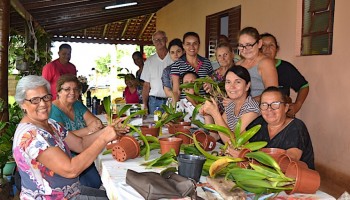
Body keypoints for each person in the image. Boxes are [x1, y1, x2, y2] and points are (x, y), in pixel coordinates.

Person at [13, 75, 129, 199]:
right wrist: (103, 138)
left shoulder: (51, 125)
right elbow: (71, 170)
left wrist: (108, 131)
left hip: (71, 192)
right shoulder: (31, 136)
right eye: (34, 100)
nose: (42, 104)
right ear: (22, 104)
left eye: (46, 97)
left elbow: (80, 144)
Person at [49, 74, 104, 188]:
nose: (72, 92)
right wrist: (88, 130)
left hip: (84, 151)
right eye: (67, 89)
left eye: (75, 89)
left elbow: (96, 123)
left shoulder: (77, 104)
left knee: (97, 181)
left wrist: (90, 128)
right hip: (67, 159)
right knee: (90, 184)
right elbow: (61, 137)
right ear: (58, 92)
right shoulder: (53, 111)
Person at [248, 86, 314, 169]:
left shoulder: (296, 127)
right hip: (262, 176)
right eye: (264, 105)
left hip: (293, 179)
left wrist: (252, 159)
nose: (269, 109)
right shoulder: (258, 123)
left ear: (285, 107)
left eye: (275, 104)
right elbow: (243, 144)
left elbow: (290, 161)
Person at [200, 66, 260, 143]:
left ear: (247, 86)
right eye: (228, 82)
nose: (232, 87)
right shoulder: (231, 105)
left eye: (237, 82)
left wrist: (215, 114)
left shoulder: (251, 109)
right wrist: (207, 115)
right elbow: (216, 136)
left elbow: (234, 144)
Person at [260, 33, 309, 117]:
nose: (267, 49)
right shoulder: (253, 68)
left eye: (271, 45)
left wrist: (297, 105)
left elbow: (304, 86)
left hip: (282, 116)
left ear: (276, 49)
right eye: (263, 46)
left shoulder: (286, 67)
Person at [235, 27, 278, 101]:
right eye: (241, 46)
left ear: (259, 44)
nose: (245, 49)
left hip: (260, 110)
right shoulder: (238, 64)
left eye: (249, 45)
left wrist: (244, 103)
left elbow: (272, 94)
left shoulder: (265, 63)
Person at [171, 32, 213, 103]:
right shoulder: (177, 65)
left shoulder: (206, 63)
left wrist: (210, 86)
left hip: (204, 105)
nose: (192, 47)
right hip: (186, 108)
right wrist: (173, 107)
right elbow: (176, 91)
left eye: (195, 43)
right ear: (183, 46)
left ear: (199, 45)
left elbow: (211, 83)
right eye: (188, 44)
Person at [140, 30, 173, 114]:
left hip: (171, 100)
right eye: (156, 40)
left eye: (161, 39)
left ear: (166, 40)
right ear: (153, 42)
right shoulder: (149, 61)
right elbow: (146, 85)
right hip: (154, 102)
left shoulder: (173, 58)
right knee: (155, 125)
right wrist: (144, 104)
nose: (158, 42)